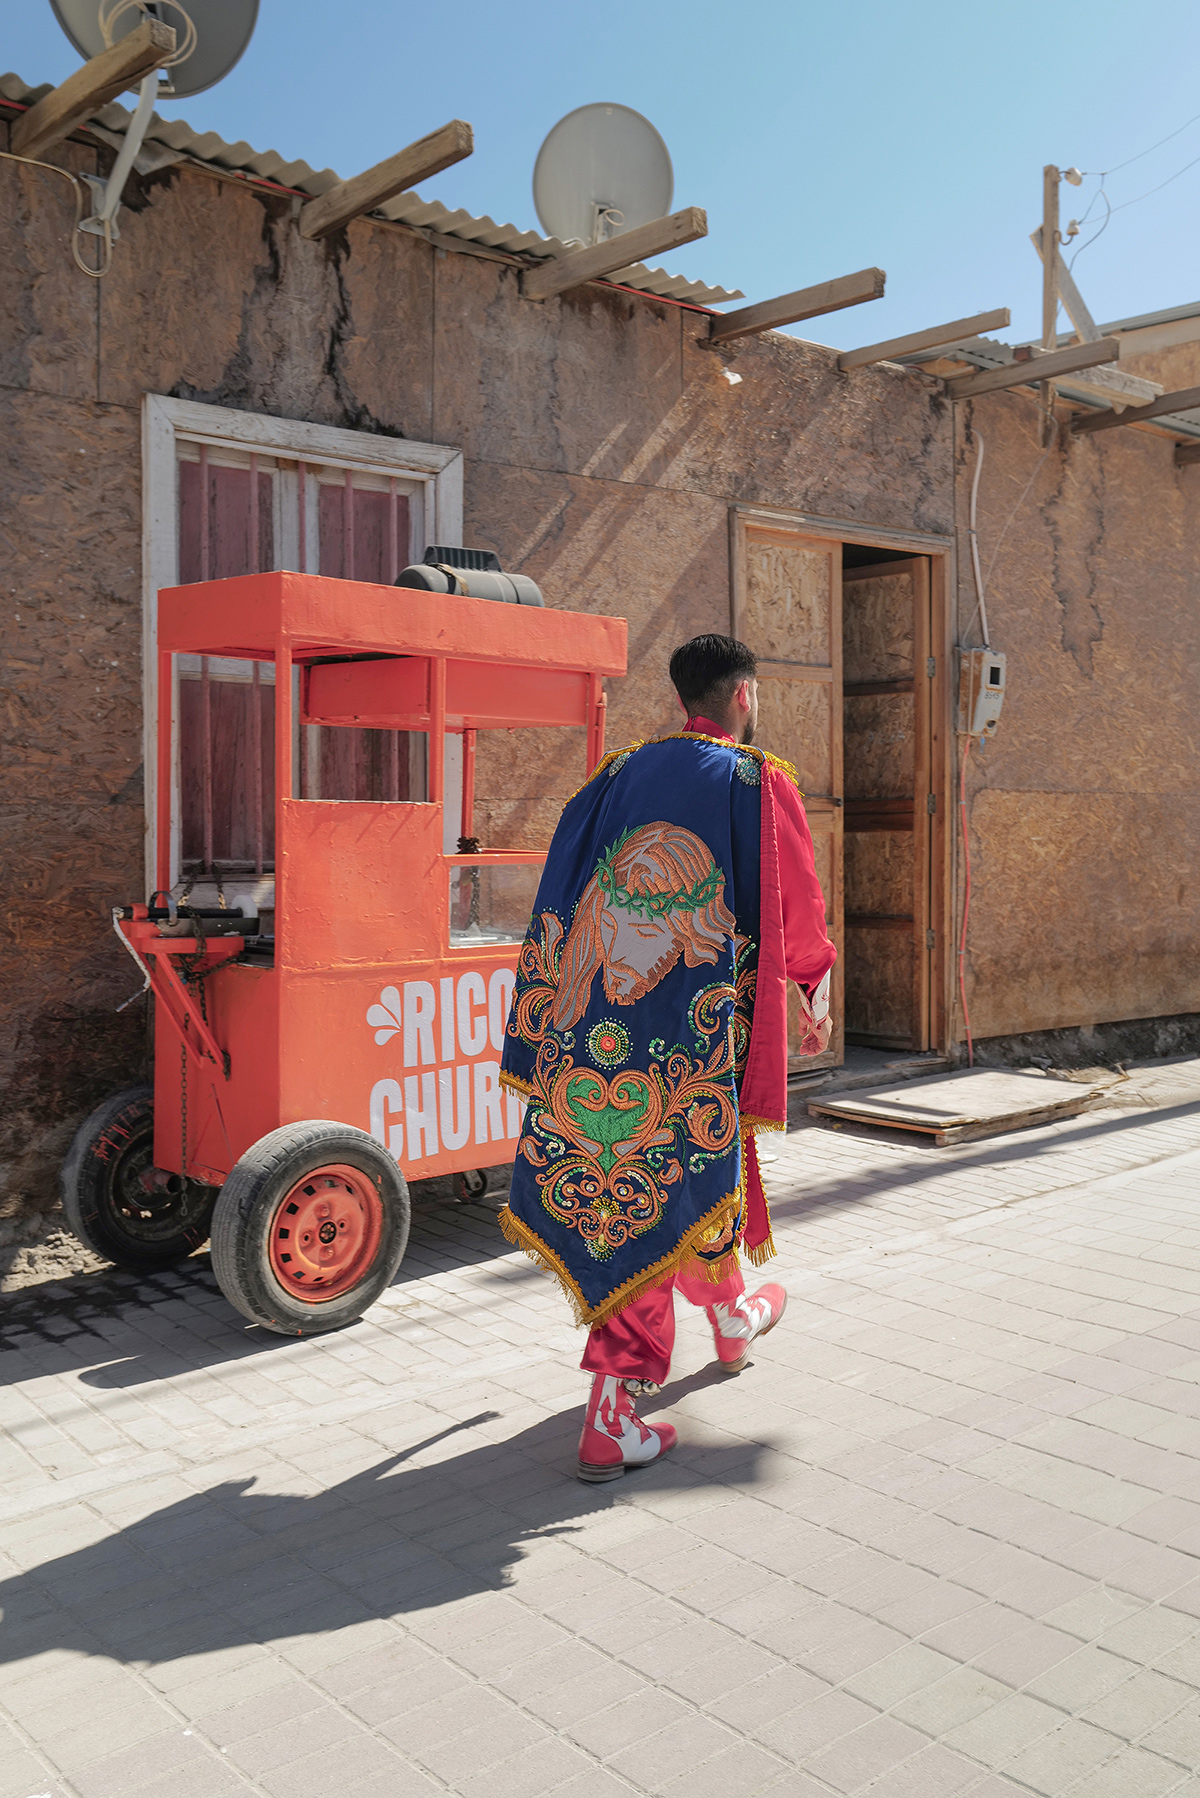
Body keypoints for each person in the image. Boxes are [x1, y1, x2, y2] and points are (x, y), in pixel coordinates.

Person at [499, 634, 836, 1482]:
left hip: (596, 1033)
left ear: (682, 698)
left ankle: (729, 1321)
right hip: (698, 1036)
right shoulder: (756, 781)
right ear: (745, 694)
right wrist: (811, 991)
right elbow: (796, 902)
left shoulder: (617, 774)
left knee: (689, 1178)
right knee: (646, 1195)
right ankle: (611, 1417)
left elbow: (562, 881)